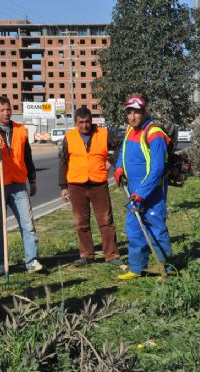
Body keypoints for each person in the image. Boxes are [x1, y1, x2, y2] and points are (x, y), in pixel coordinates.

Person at [0, 96, 42, 273]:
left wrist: (32, 180)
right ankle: (1, 263)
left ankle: (32, 261)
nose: (6, 113)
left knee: (28, 224)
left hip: (18, 184)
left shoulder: (21, 130)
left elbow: (27, 157)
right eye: (2, 110)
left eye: (8, 109)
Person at [113, 95, 172, 280]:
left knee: (156, 227)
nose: (132, 117)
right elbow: (123, 151)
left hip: (151, 191)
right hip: (133, 191)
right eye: (129, 112)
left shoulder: (154, 133)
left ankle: (166, 268)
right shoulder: (131, 130)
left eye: (136, 112)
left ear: (145, 112)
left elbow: (157, 168)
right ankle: (137, 268)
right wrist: (119, 168)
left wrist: (142, 192)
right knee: (134, 229)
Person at [59, 108, 121, 267]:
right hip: (76, 185)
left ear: (91, 121)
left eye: (87, 122)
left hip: (98, 183)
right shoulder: (69, 137)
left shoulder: (104, 134)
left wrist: (112, 160)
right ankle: (87, 255)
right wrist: (63, 186)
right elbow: (63, 161)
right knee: (81, 223)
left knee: (106, 221)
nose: (85, 126)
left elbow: (121, 144)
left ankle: (112, 255)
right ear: (75, 123)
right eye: (81, 122)